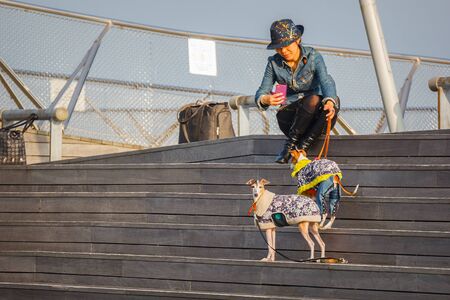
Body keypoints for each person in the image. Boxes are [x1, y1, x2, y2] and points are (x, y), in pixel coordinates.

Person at [255, 19, 340, 163]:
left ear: (298, 40)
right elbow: (262, 91)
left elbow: (326, 80)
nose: (283, 51)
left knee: (330, 102)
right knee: (313, 100)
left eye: (287, 46)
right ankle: (293, 146)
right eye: (278, 47)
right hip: (291, 118)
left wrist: (330, 101)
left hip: (314, 121)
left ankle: (297, 147)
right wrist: (266, 99)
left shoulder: (314, 56)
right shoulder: (273, 63)